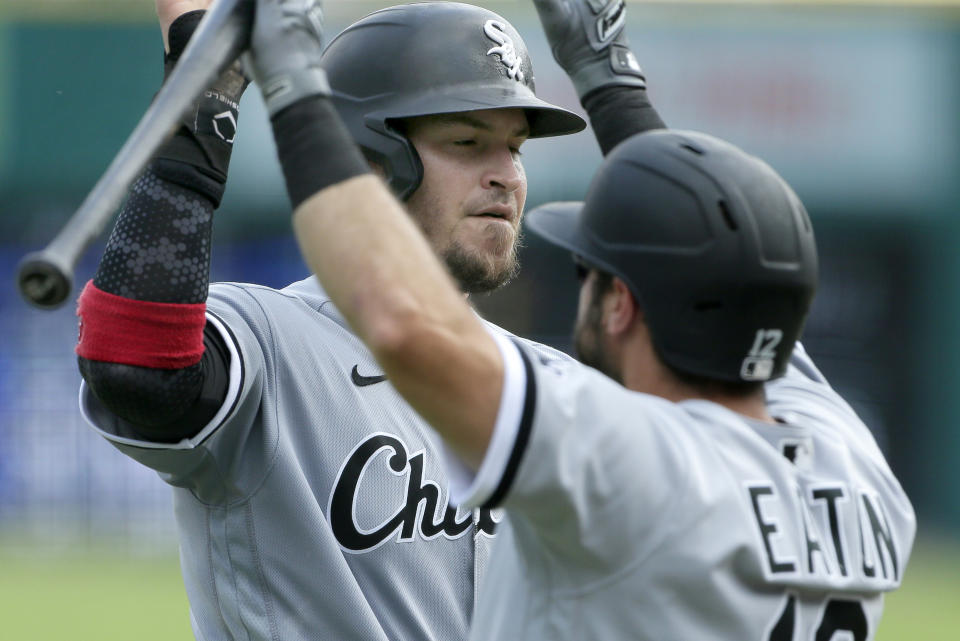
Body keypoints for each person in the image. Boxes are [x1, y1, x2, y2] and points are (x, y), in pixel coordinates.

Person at [236, 0, 918, 639]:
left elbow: (402, 326)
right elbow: (702, 247)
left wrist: (293, 85)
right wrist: (608, 73)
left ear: (622, 302)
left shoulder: (635, 467)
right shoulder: (854, 467)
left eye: (593, 269)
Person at [74, 1, 666, 640]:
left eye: (514, 148)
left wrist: (615, 87)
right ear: (365, 162)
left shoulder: (550, 383)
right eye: (468, 142)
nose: (506, 177)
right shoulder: (269, 343)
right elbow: (134, 368)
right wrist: (202, 100)